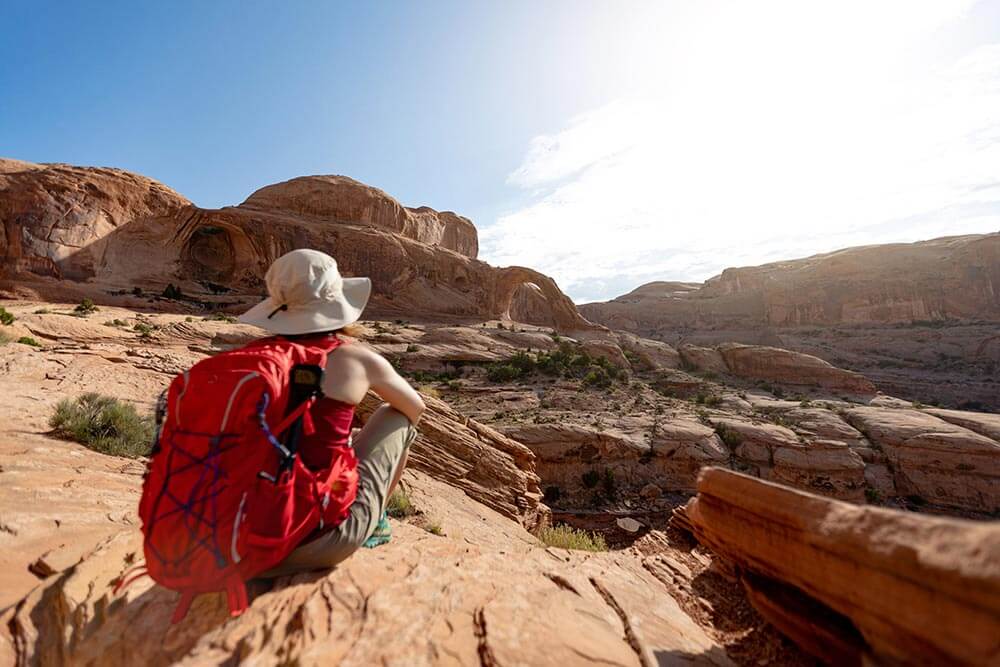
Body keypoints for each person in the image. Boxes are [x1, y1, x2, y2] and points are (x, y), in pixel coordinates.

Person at [237, 248, 425, 576]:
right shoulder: (355, 359)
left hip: (234, 541)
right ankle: (374, 522)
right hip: (314, 543)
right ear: (336, 305)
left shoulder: (248, 358)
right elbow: (415, 408)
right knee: (395, 416)